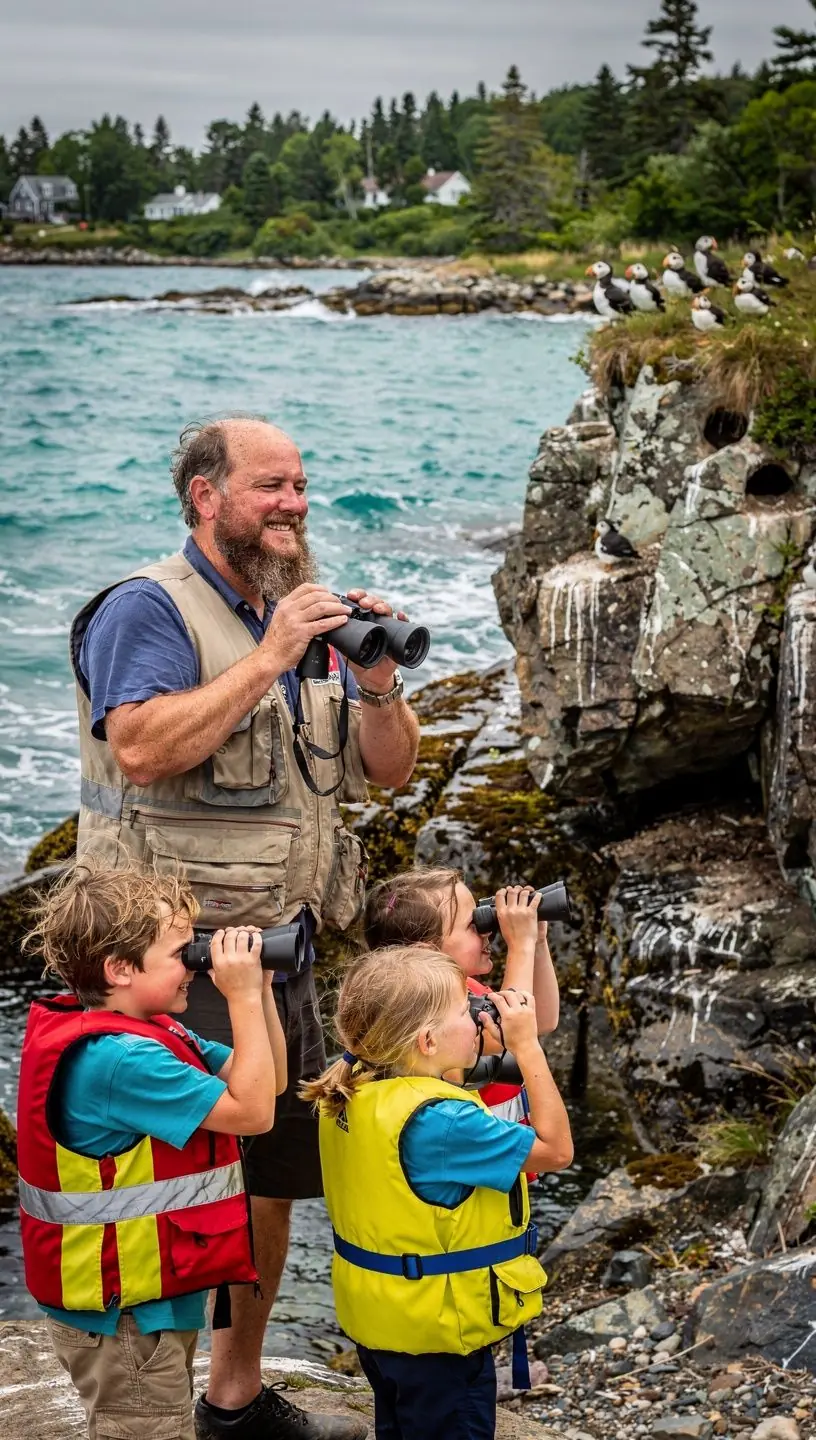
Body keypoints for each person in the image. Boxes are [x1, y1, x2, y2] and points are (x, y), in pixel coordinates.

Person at [69, 416, 420, 1439]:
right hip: (169, 969)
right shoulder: (149, 609)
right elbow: (139, 748)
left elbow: (390, 769)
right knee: (171, 1193)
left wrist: (377, 684)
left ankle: (233, 1397)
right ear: (205, 497)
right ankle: (142, 1412)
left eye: (301, 485)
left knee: (269, 1183)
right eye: (272, 485)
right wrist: (271, 654)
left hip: (276, 955)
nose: (295, 505)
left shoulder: (297, 622)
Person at [17, 858, 285, 1440]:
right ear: (120, 969)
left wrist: (261, 992)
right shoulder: (122, 1060)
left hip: (145, 1302)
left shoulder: (150, 1029)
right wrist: (238, 998)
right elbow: (255, 1115)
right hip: (124, 1317)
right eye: (182, 953)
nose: (195, 964)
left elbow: (269, 1083)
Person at [302, 947, 574, 1440]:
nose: (477, 1018)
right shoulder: (445, 1122)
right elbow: (556, 1149)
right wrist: (528, 1047)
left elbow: (437, 1083)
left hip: (384, 1322)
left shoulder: (355, 1084)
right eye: (465, 1011)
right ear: (427, 1040)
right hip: (441, 1336)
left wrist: (477, 1042)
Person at [363, 869, 559, 1127]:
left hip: (508, 1144)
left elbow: (541, 1020)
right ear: (427, 952)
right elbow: (504, 1033)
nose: (487, 932)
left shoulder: (467, 988)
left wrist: (537, 942)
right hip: (481, 1145)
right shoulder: (424, 1014)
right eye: (472, 925)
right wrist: (520, 944)